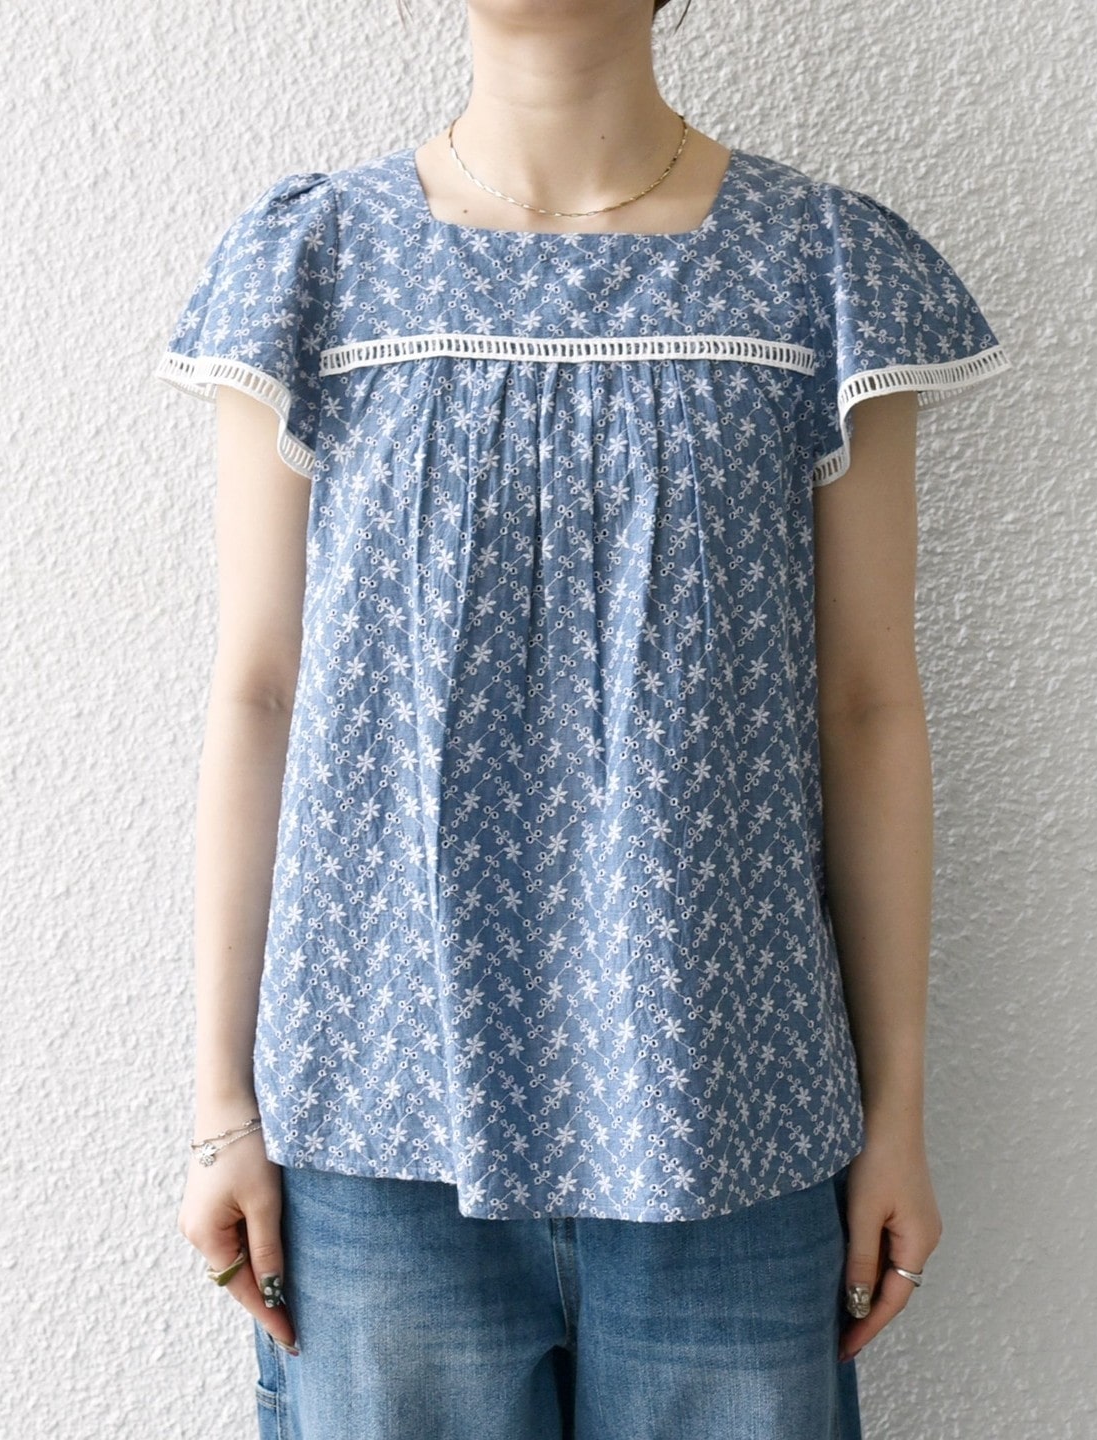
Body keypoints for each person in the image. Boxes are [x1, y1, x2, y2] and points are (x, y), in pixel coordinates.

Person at [156, 2, 1011, 1435]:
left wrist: (896, 1120)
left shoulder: (821, 269)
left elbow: (867, 707)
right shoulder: (317, 264)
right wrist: (219, 1109)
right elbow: (261, 691)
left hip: (728, 1120)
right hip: (373, 1122)